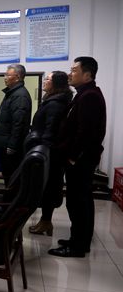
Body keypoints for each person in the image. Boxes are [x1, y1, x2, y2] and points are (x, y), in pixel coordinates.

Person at [48, 56, 106, 257]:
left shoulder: (90, 96)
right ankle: (79, 240)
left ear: (87, 75)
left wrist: (73, 157)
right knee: (80, 201)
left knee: (78, 202)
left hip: (80, 160)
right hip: (80, 158)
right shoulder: (84, 94)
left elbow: (85, 132)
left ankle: (78, 246)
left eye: (74, 70)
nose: (69, 73)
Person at [27, 71, 73, 236]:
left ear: (56, 84)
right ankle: (46, 221)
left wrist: (42, 153)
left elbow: (50, 130)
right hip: (49, 152)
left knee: (48, 188)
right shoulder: (54, 100)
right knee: (47, 188)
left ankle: (46, 222)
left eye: (48, 79)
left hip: (50, 155)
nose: (45, 81)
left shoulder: (55, 104)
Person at [0, 63, 31, 185]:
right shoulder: (13, 93)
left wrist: (12, 146)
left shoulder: (19, 95)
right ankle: (9, 194)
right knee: (8, 175)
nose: (5, 77)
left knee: (12, 176)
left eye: (8, 75)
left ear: (18, 77)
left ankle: (11, 196)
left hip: (11, 146)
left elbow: (18, 123)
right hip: (6, 143)